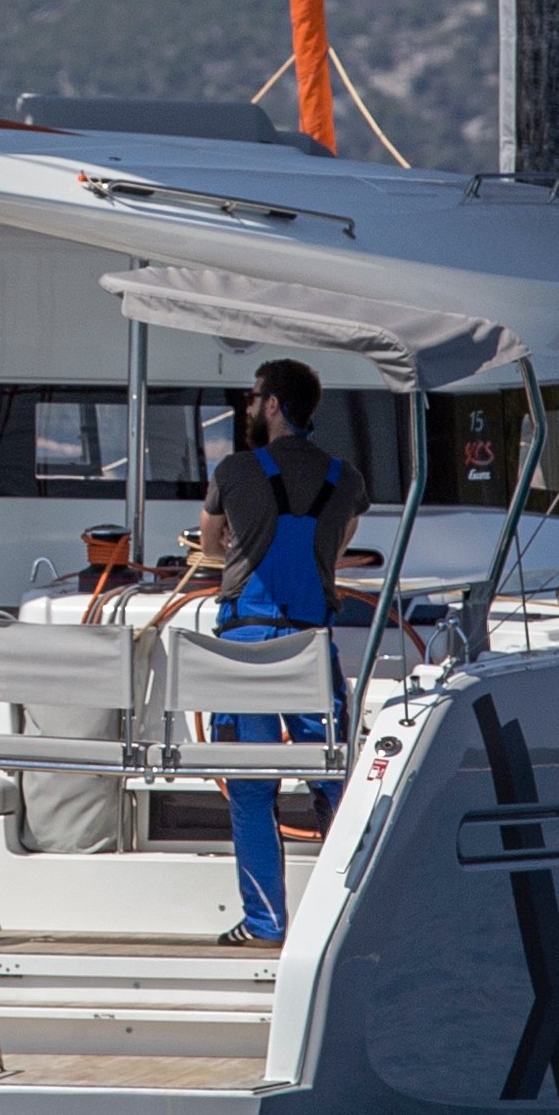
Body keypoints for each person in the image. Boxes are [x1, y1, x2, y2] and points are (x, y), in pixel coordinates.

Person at [175, 357, 362, 945]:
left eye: (255, 398)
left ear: (275, 404)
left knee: (252, 786)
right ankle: (343, 920)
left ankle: (264, 923)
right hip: (309, 646)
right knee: (332, 782)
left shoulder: (234, 470)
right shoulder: (346, 477)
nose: (250, 407)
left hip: (246, 652)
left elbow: (209, 545)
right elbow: (338, 545)